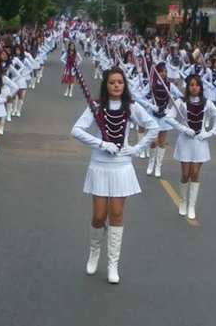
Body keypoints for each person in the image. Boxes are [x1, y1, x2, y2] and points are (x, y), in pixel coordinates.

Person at [71, 67, 158, 284]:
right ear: (106, 85)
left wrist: (136, 148)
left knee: (117, 214)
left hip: (122, 166)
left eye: (120, 82)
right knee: (99, 216)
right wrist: (101, 143)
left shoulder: (131, 107)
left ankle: (112, 264)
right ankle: (94, 253)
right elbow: (76, 130)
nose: (116, 85)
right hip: (100, 165)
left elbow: (153, 126)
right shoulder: (96, 106)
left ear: (124, 84)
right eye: (112, 82)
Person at [164, 74, 216, 220]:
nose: (194, 87)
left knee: (195, 173)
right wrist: (183, 129)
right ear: (187, 86)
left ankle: (192, 205)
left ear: (200, 87)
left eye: (197, 85)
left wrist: (208, 133)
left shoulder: (207, 103)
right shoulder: (181, 102)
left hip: (200, 141)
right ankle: (183, 202)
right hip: (185, 141)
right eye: (191, 85)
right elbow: (168, 117)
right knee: (185, 174)